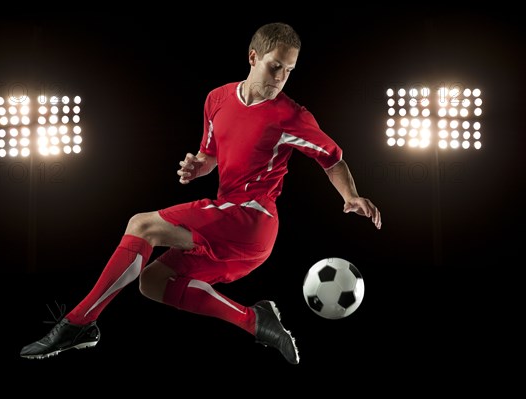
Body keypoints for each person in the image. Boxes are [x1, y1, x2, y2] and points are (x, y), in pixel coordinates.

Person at [20, 22, 382, 365]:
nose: (280, 78)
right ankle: (254, 320)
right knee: (154, 282)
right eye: (275, 67)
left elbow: (332, 159)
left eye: (289, 70)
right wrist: (199, 166)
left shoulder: (292, 116)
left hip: (253, 219)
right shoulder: (217, 100)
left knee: (141, 225)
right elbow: (210, 155)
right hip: (228, 218)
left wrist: (350, 196)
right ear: (253, 57)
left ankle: (78, 323)